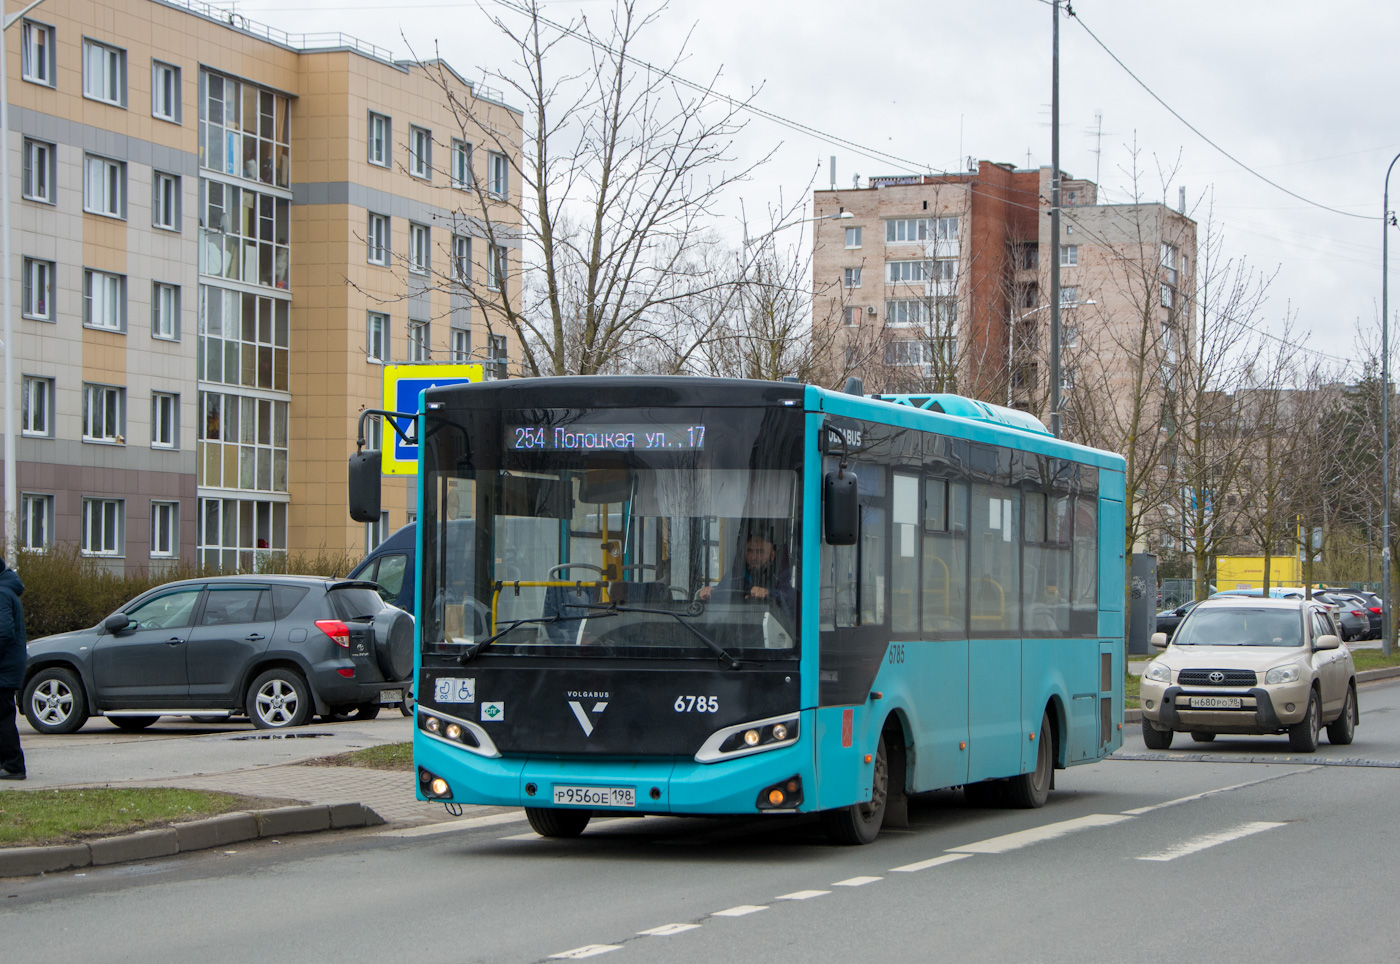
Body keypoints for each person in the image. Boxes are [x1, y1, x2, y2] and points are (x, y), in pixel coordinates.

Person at [700, 534, 794, 614]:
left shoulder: (780, 574)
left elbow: (791, 599)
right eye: (750, 551)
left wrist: (767, 593)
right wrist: (710, 592)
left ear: (772, 555)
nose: (754, 557)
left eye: (760, 552)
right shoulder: (736, 575)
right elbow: (722, 590)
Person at [0, 557, 27, 780]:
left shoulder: (1, 593)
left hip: (3, 669)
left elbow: (3, 633)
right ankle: (8, 763)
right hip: (8, 667)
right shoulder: (7, 590)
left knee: (3, 718)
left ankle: (13, 765)